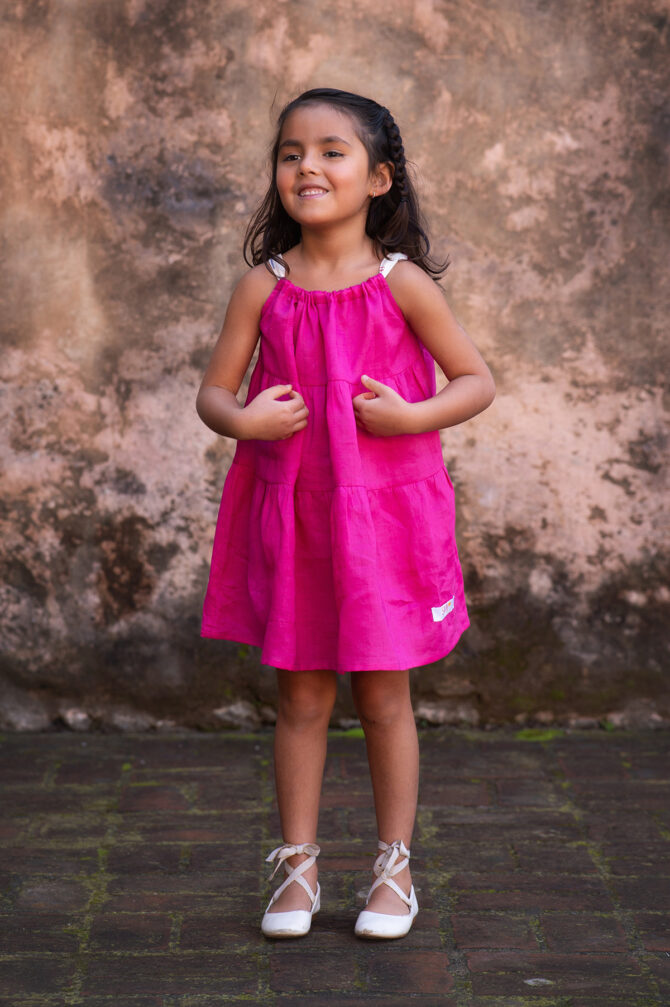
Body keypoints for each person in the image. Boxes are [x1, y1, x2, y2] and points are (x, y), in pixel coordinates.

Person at [196, 88, 495, 940]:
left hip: (388, 523)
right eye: (291, 153)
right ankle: (297, 866)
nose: (307, 167)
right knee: (300, 695)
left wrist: (411, 415)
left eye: (332, 151)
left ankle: (394, 868)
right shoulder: (265, 285)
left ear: (378, 179)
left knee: (386, 694)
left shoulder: (403, 287)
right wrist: (243, 419)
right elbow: (215, 393)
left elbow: (476, 380)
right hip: (295, 519)